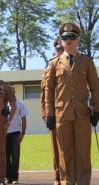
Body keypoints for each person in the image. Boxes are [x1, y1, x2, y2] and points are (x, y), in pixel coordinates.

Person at [45, 22, 99, 185]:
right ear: (60, 41)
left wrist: (97, 110)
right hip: (62, 115)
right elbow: (49, 90)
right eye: (65, 38)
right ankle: (66, 182)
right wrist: (49, 114)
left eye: (72, 37)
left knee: (83, 153)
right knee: (64, 154)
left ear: (78, 40)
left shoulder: (87, 62)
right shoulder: (54, 64)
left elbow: (96, 88)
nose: (68, 41)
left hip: (82, 114)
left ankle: (83, 182)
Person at [40, 37, 64, 185]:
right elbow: (43, 93)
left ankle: (70, 177)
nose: (59, 52)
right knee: (56, 148)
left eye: (61, 49)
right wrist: (45, 114)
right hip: (53, 114)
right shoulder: (48, 68)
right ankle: (57, 177)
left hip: (69, 112)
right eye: (58, 49)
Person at [6, 99, 28, 184]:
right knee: (6, 157)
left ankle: (15, 178)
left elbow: (24, 118)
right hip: (4, 134)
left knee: (15, 156)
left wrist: (23, 133)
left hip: (16, 134)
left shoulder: (20, 104)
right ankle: (8, 178)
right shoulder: (3, 103)